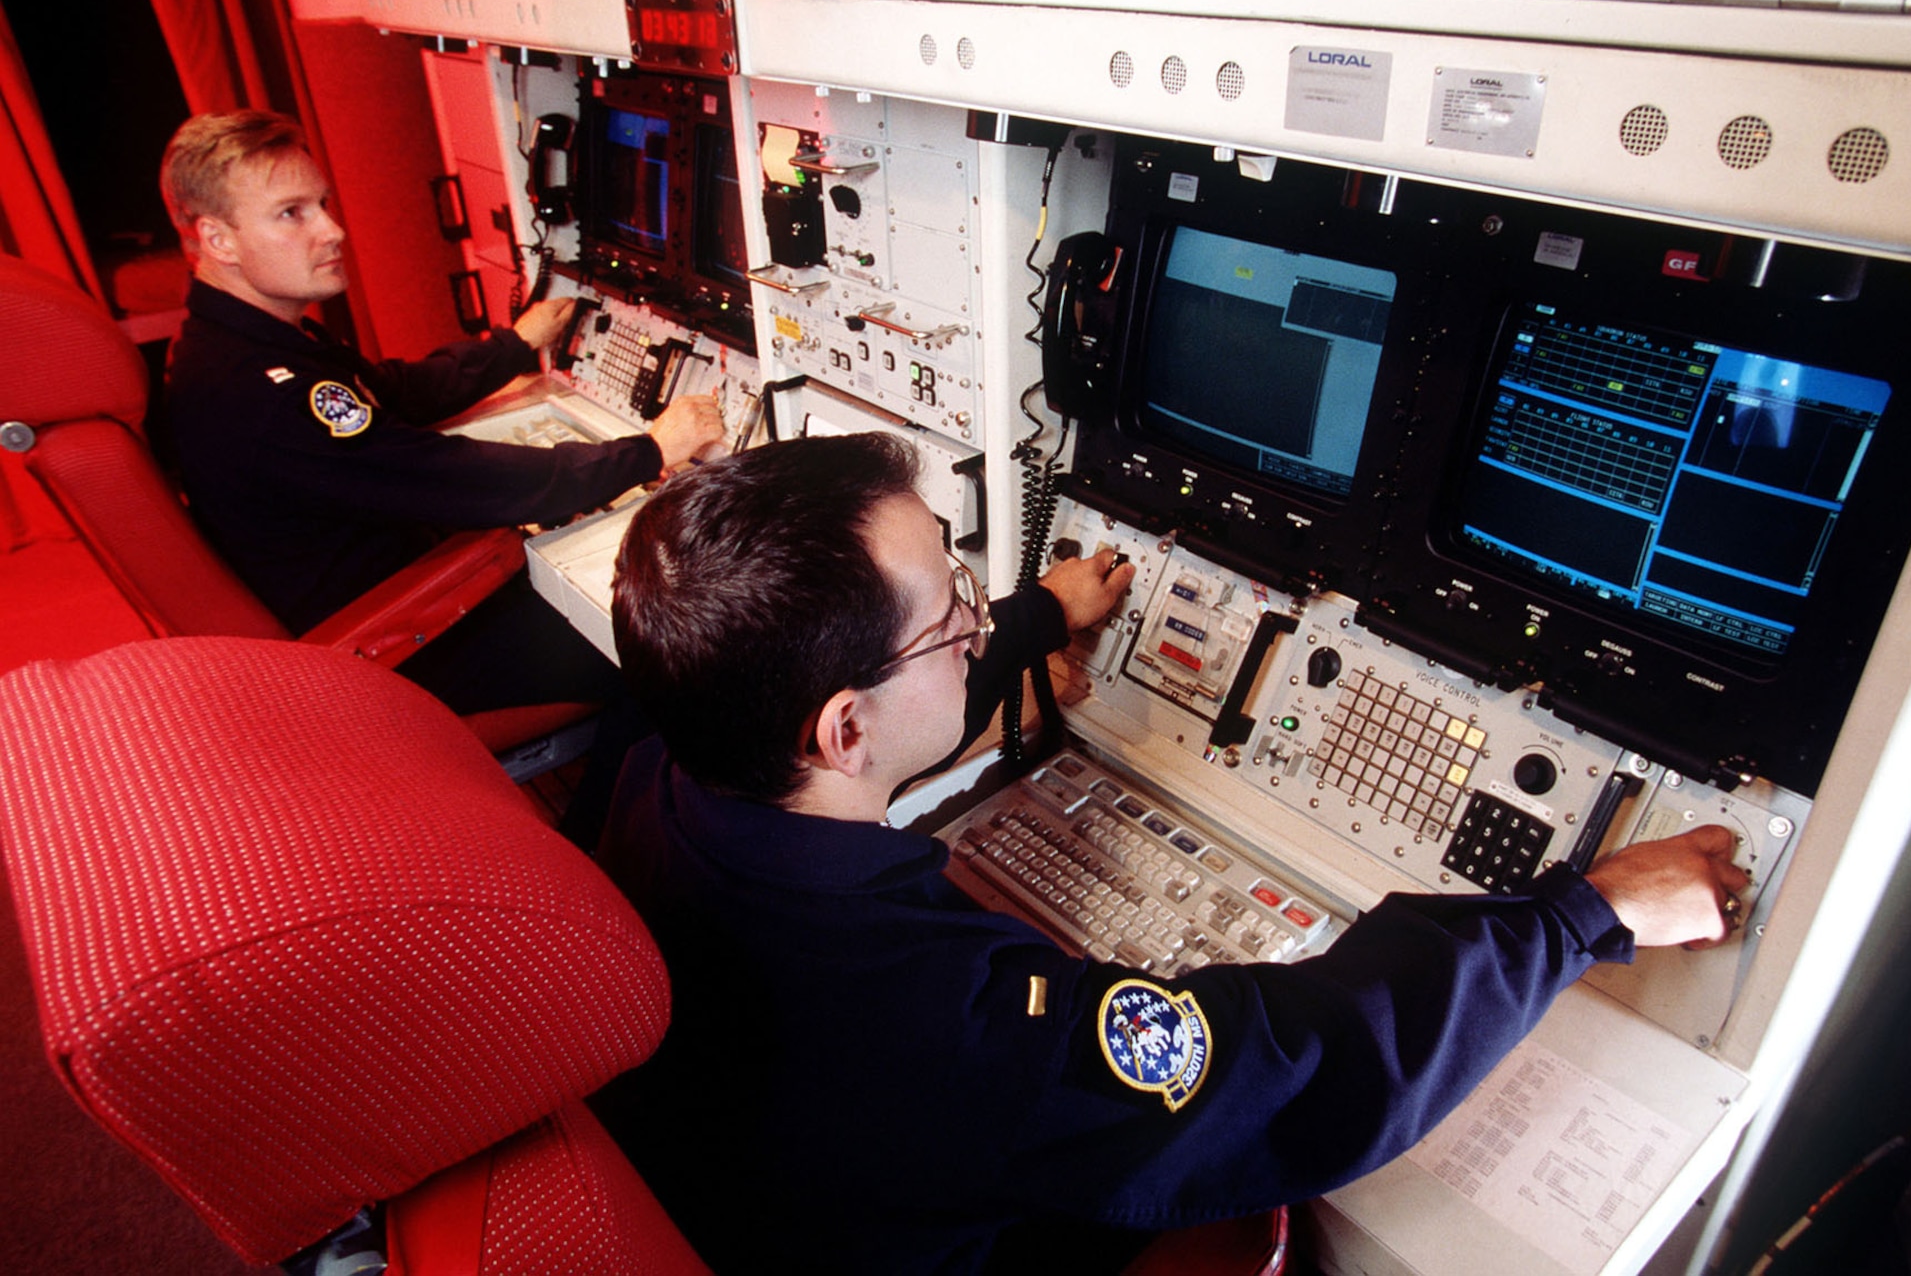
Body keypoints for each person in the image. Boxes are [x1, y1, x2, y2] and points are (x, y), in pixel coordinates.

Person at [592, 433, 1750, 1274]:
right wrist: (1574, 916)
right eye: (953, 615)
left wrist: (1037, 619)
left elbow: (881, 701)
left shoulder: (666, 769)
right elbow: (1292, 1066)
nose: (975, 620)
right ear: (842, 728)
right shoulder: (950, 1025)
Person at [155, 109, 724, 716]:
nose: (332, 229)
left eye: (322, 203)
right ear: (218, 239)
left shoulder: (244, 341)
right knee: (660, 647)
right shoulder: (258, 387)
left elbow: (389, 391)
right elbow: (444, 475)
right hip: (405, 638)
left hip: (412, 588)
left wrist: (510, 347)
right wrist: (649, 452)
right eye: (292, 213)